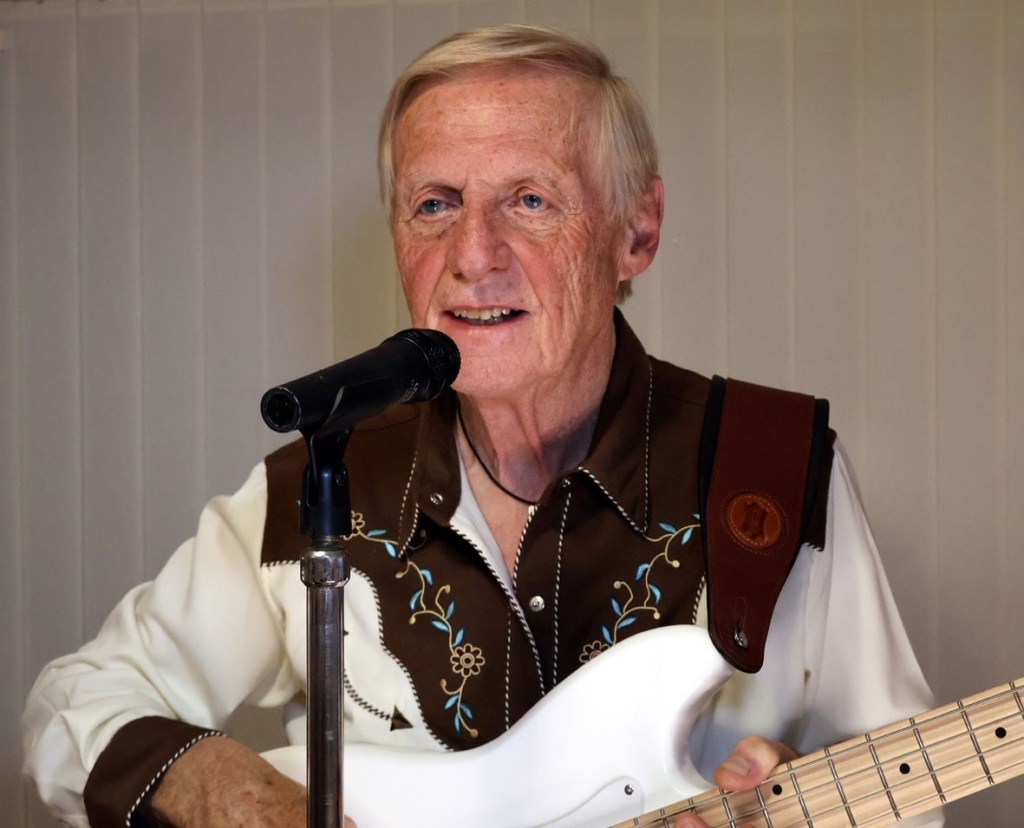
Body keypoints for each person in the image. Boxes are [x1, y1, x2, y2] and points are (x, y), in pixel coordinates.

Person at [22, 24, 941, 828]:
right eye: (435, 204)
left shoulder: (777, 469)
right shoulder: (316, 487)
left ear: (638, 230)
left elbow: (913, 786)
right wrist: (218, 785)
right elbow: (77, 702)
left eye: (529, 201)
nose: (472, 256)